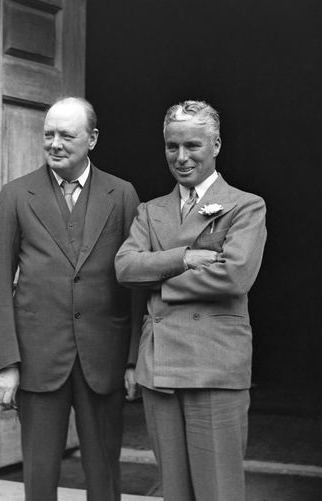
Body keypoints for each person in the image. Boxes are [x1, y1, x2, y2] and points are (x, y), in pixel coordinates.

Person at [0, 97, 141, 501]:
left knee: (104, 473)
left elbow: (136, 282)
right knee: (38, 474)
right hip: (38, 359)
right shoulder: (16, 195)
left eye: (65, 135)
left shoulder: (122, 195)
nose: (54, 143)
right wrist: (7, 363)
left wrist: (133, 359)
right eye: (48, 134)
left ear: (92, 139)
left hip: (103, 356)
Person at [115, 100, 267, 501]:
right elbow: (126, 267)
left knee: (218, 490)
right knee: (175, 491)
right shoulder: (151, 211)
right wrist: (183, 258)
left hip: (214, 363)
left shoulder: (244, 205)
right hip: (160, 368)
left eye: (192, 146)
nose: (181, 157)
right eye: (171, 146)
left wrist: (160, 283)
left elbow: (235, 275)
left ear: (215, 144)